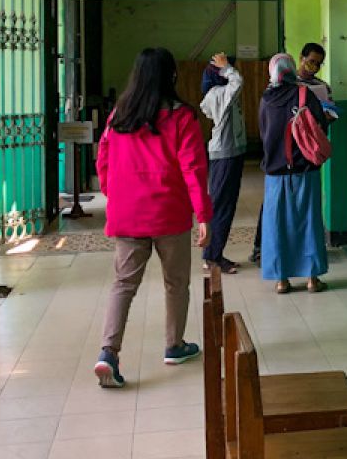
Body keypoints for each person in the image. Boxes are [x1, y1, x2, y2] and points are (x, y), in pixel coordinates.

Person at [93, 47, 212, 389]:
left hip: (129, 216)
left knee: (123, 285)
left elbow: (103, 159)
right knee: (176, 283)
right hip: (169, 216)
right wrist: (203, 214)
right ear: (170, 76)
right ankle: (174, 345)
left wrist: (115, 193)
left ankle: (108, 353)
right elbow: (193, 168)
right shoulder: (181, 117)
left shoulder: (119, 116)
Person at [251, 41, 334, 263]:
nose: (313, 67)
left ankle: (281, 277)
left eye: (318, 64)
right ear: (300, 59)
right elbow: (321, 128)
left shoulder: (267, 98)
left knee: (277, 221)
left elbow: (263, 131)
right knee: (308, 220)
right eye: (311, 61)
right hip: (305, 165)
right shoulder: (306, 94)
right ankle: (311, 277)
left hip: (276, 167)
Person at [199, 52, 246, 274]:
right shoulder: (219, 93)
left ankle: (215, 254)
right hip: (225, 156)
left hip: (230, 154)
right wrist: (226, 68)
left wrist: (225, 68)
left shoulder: (218, 93)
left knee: (225, 205)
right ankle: (212, 257)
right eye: (227, 69)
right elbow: (237, 82)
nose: (232, 70)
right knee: (222, 207)